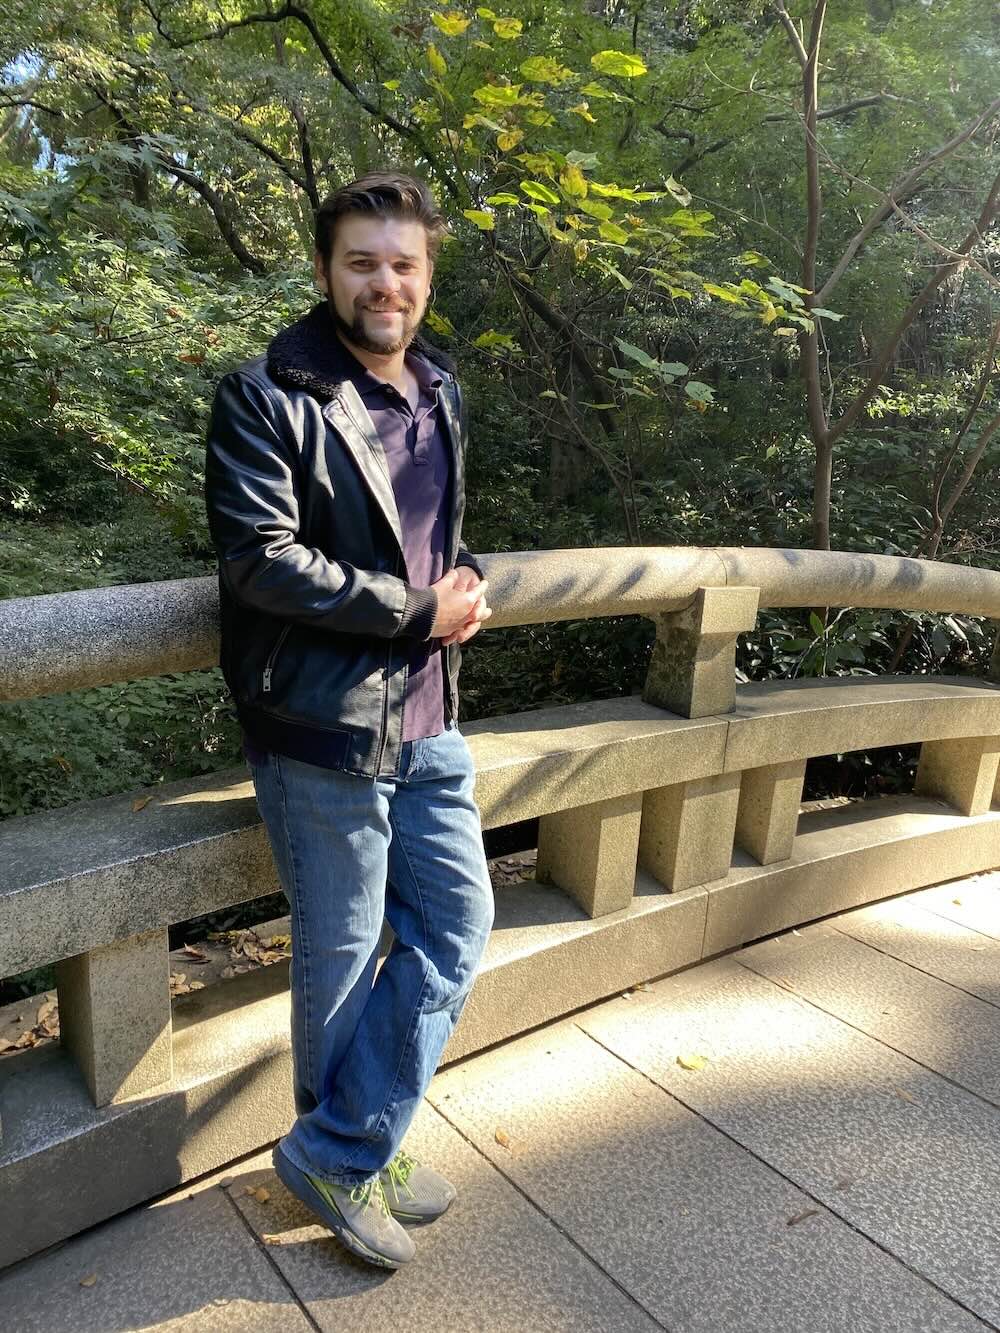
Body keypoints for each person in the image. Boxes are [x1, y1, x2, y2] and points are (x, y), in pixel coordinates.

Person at [204, 171, 495, 1269]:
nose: (386, 283)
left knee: (457, 929)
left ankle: (345, 1142)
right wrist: (419, 608)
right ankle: (348, 1154)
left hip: (428, 717)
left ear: (426, 276)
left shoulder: (437, 386)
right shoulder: (267, 392)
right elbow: (262, 563)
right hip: (322, 724)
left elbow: (434, 530)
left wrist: (460, 579)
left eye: (404, 264)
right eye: (363, 262)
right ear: (325, 269)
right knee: (340, 952)